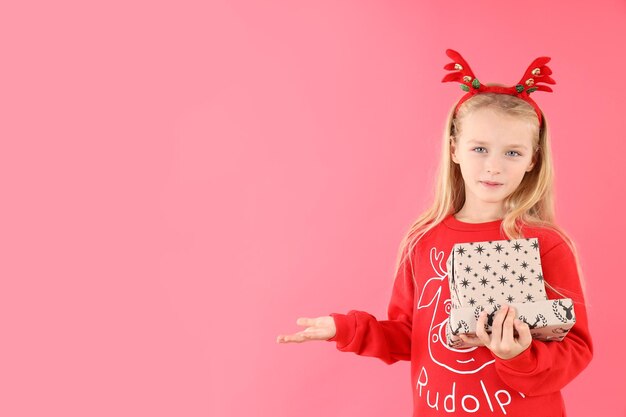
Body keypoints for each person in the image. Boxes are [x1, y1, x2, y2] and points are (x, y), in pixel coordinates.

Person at [275, 49, 593, 417]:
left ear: (532, 160)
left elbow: (576, 349)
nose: (493, 166)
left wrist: (519, 356)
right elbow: (411, 336)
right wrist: (345, 329)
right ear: (455, 149)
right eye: (479, 149)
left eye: (512, 153)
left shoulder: (546, 244)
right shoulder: (424, 239)